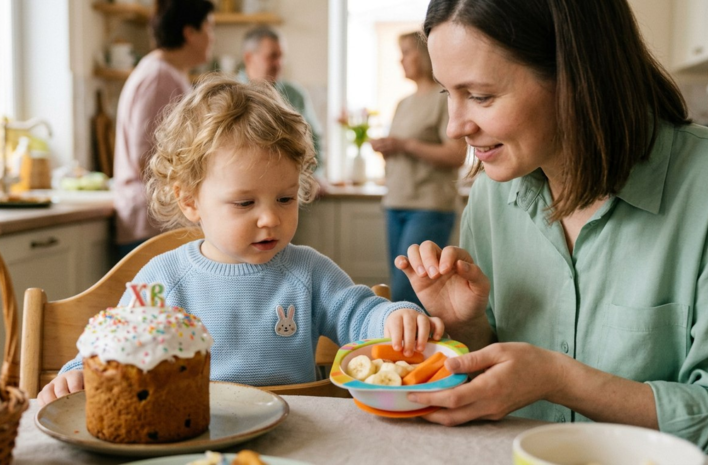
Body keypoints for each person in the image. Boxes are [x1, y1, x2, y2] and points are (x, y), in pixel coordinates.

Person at [395, 0, 708, 459]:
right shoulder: (493, 193)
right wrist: (466, 327)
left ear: (576, 77)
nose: (456, 127)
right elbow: (498, 388)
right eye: (446, 94)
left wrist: (561, 380)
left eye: (480, 96)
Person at [38, 76, 444, 406]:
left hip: (297, 435)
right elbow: (115, 341)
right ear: (189, 200)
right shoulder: (165, 280)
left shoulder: (307, 271)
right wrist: (77, 372)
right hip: (200, 436)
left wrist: (395, 319)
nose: (270, 217)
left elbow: (359, 316)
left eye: (285, 198)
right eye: (245, 202)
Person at [369, 32, 466, 306]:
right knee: (401, 287)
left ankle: (418, 348)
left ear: (425, 55)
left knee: (407, 292)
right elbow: (402, 151)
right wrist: (389, 149)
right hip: (395, 203)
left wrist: (404, 145)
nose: (401, 60)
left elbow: (456, 154)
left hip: (429, 206)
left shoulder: (442, 98)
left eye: (407, 52)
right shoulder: (404, 103)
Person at [113, 0, 214, 259]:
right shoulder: (159, 77)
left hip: (158, 221)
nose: (211, 38)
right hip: (151, 222)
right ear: (189, 33)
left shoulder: (168, 72)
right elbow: (145, 157)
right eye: (209, 28)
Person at [238, 26, 325, 175]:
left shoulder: (296, 95)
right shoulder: (229, 94)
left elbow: (315, 142)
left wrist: (315, 178)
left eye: (281, 56)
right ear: (249, 58)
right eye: (272, 56)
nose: (279, 63)